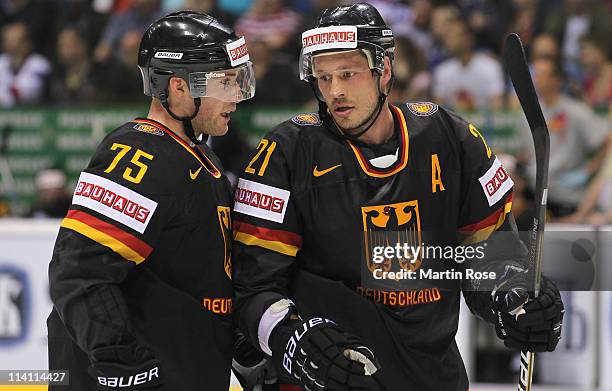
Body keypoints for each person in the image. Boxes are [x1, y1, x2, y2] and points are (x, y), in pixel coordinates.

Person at [232, 3, 564, 390]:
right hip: (335, 381)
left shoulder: (450, 139)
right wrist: (294, 339)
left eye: (348, 74)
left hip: (431, 377)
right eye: (323, 78)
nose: (334, 91)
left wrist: (514, 295)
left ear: (384, 70)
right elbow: (252, 290)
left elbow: (491, 256)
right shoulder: (286, 153)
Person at [47, 11, 266, 391]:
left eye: (237, 81)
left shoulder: (203, 159)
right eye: (224, 83)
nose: (235, 96)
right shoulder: (139, 152)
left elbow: (197, 282)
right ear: (179, 88)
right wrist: (122, 363)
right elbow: (81, 270)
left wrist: (246, 351)